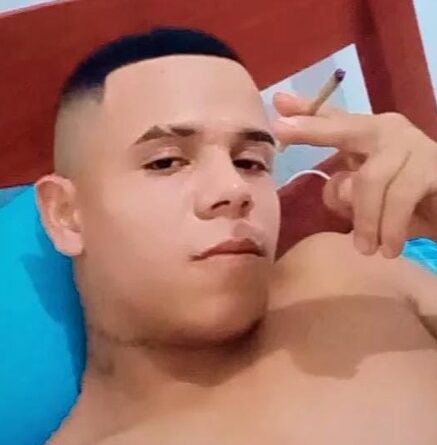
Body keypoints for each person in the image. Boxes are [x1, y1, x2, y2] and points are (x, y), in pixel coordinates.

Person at [38, 28, 437, 445]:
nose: (234, 189)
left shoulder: (348, 277)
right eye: (166, 162)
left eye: (250, 162)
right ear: (66, 215)